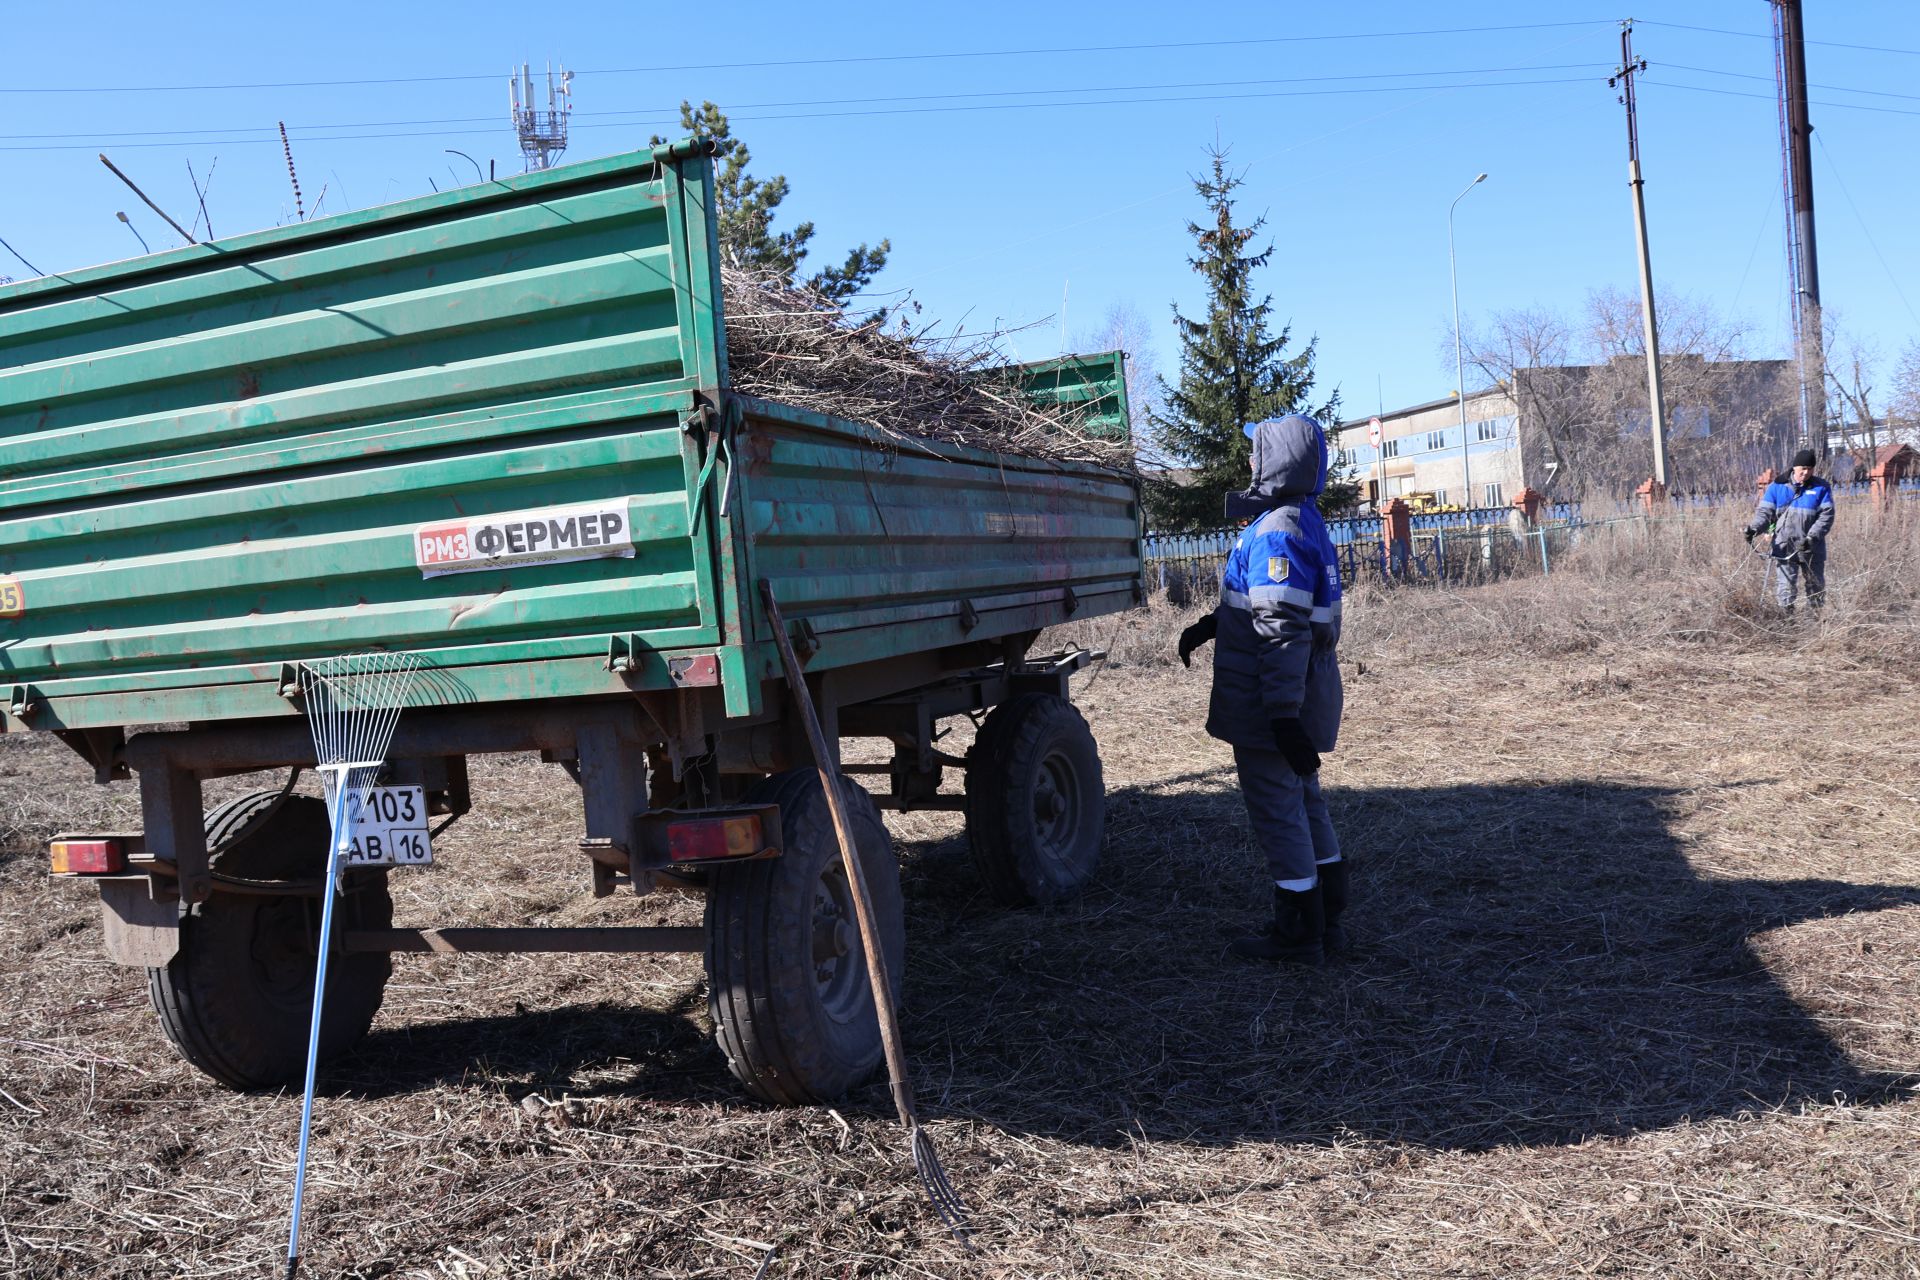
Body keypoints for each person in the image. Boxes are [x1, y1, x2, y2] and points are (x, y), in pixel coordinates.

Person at [1177, 414, 1346, 965]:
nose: (1250, 461)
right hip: (1297, 694)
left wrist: (1280, 716)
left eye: (1257, 452)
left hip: (1272, 701)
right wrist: (1212, 625)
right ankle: (1328, 911)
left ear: (1277, 464)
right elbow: (1267, 609)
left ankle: (1298, 932)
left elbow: (1282, 631)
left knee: (1278, 809)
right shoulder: (1302, 520)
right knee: (1302, 798)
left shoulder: (1278, 530)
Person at [1745, 447, 1835, 611]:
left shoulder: (1821, 488)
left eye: (1809, 469)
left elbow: (1826, 517)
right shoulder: (1776, 487)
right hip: (1784, 546)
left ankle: (1816, 622)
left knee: (1816, 586)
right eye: (1803, 469)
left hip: (1812, 547)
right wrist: (1753, 529)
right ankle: (1787, 624)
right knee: (1785, 588)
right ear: (1795, 467)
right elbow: (1765, 513)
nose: (1806, 472)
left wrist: (1811, 538)